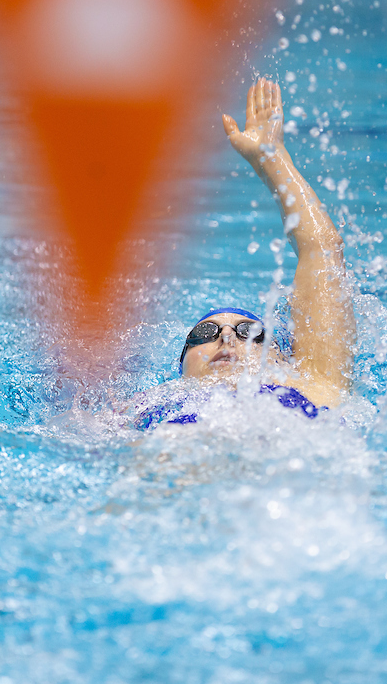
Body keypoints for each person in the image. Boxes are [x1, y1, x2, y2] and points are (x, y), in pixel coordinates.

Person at [134, 78, 356, 430]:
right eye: (204, 333)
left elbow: (323, 250)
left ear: (283, 360)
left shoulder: (315, 385)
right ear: (181, 368)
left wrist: (272, 157)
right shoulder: (143, 413)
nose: (225, 339)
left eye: (250, 333)